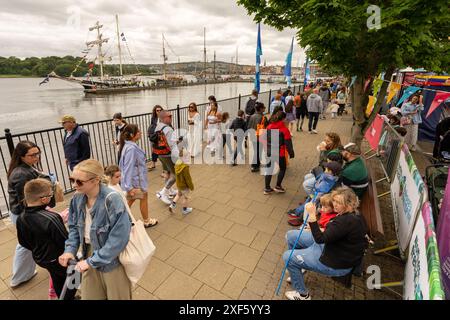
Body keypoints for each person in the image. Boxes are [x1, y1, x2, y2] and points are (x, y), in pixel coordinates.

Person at [58, 159, 132, 300]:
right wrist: (69, 251)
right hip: (88, 253)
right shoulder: (77, 199)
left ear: (96, 180)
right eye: (72, 179)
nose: (74, 185)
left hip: (112, 259)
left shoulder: (112, 199)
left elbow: (118, 239)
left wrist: (91, 261)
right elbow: (73, 227)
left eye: (79, 182)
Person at [283, 187, 368, 300]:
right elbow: (334, 233)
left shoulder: (345, 221)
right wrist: (318, 228)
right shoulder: (354, 215)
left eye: (339, 202)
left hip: (334, 261)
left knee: (288, 257)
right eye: (335, 201)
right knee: (291, 236)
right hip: (332, 247)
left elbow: (320, 239)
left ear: (349, 204)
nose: (335, 205)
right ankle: (300, 268)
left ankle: (302, 294)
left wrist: (312, 216)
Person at [7, 141, 61, 288]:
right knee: (25, 245)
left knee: (28, 243)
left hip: (26, 212)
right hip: (24, 213)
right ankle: (18, 277)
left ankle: (25, 274)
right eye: (32, 155)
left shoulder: (24, 168)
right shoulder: (20, 175)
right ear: (21, 156)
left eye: (38, 153)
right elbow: (25, 200)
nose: (36, 157)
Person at [16, 178, 76, 300]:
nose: (52, 197)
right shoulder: (52, 218)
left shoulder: (21, 218)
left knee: (56, 278)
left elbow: (23, 241)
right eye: (51, 195)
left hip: (40, 258)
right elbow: (65, 241)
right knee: (74, 277)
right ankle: (70, 297)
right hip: (58, 259)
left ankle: (61, 295)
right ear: (44, 199)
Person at [119, 124, 158, 228]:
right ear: (132, 135)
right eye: (139, 131)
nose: (141, 133)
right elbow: (127, 167)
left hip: (135, 180)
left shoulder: (128, 146)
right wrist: (129, 187)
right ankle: (145, 221)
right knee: (139, 198)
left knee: (130, 201)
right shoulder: (131, 148)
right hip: (136, 181)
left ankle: (123, 221)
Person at [287, 161, 342, 226]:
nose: (325, 169)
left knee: (310, 207)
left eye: (326, 169)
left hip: (319, 199)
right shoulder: (330, 178)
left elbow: (318, 197)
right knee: (309, 201)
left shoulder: (328, 183)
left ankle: (301, 220)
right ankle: (300, 211)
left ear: (331, 172)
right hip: (317, 194)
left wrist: (312, 202)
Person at [262, 111, 294, 194]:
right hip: (279, 153)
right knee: (283, 168)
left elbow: (264, 139)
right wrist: (291, 153)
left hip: (269, 151)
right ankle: (278, 186)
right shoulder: (284, 130)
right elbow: (288, 143)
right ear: (283, 119)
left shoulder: (269, 127)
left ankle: (267, 188)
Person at [154, 110, 182, 205]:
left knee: (167, 173)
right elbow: (172, 145)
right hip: (168, 155)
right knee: (175, 175)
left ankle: (169, 191)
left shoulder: (158, 127)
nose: (171, 117)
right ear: (164, 118)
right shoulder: (168, 129)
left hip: (160, 154)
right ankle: (163, 193)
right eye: (169, 116)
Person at [169, 149, 194, 215]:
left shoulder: (177, 163)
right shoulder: (185, 167)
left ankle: (172, 205)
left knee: (178, 194)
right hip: (184, 186)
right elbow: (188, 179)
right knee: (186, 197)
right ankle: (185, 210)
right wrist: (191, 186)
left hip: (179, 184)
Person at [248, 102, 269, 172]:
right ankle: (254, 166)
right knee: (258, 151)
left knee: (256, 150)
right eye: (264, 107)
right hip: (260, 137)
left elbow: (249, 127)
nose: (265, 108)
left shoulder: (252, 116)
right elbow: (266, 128)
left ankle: (256, 164)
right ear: (260, 109)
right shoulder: (263, 117)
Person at [147, 105, 164, 170]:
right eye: (157, 110)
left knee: (162, 151)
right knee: (154, 150)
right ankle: (153, 164)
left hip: (162, 136)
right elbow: (152, 126)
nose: (159, 111)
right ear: (155, 111)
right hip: (154, 136)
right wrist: (149, 133)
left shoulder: (164, 117)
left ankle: (165, 168)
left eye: (160, 110)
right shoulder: (154, 118)